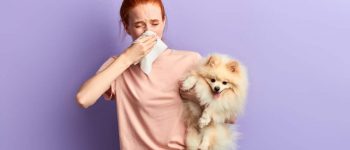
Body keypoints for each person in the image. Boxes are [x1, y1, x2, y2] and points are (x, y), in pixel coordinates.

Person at [76, 0, 234, 149]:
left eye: (155, 23)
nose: (149, 32)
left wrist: (199, 98)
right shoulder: (118, 66)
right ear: (126, 26)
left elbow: (230, 117)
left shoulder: (190, 61)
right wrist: (127, 58)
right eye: (139, 25)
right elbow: (84, 98)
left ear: (164, 21)